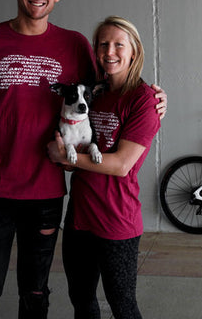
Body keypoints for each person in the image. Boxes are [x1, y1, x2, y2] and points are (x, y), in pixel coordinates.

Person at [0, 0, 166, 319]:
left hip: (46, 191)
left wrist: (155, 96)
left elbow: (109, 85)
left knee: (36, 293)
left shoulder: (76, 44)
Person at [47, 16, 161, 319]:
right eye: (103, 44)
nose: (109, 51)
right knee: (81, 301)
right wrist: (69, 157)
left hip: (117, 220)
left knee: (122, 306)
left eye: (118, 44)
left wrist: (64, 158)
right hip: (80, 216)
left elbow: (123, 164)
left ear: (134, 51)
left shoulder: (144, 99)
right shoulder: (91, 95)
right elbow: (77, 153)